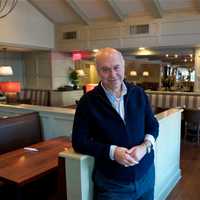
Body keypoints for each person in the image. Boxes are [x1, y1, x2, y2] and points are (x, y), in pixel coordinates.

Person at [72, 48, 159, 200]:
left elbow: (153, 125)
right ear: (98, 71)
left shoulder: (138, 93)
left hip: (146, 175)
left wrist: (145, 147)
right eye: (105, 70)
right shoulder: (87, 102)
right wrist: (112, 152)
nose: (112, 75)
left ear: (124, 66)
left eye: (116, 67)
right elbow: (79, 142)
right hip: (112, 184)